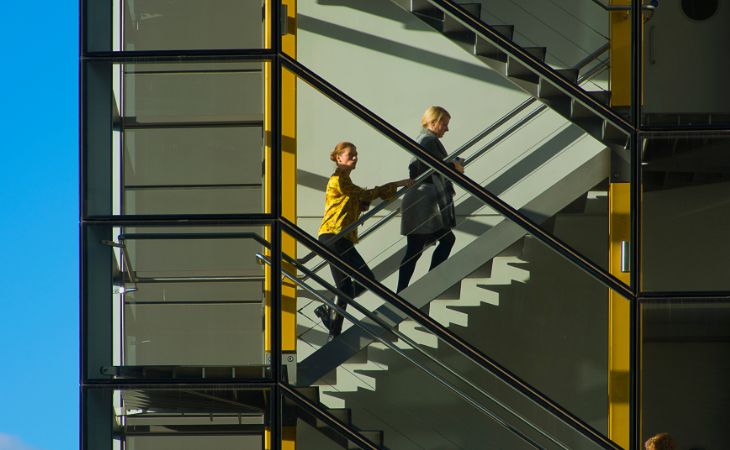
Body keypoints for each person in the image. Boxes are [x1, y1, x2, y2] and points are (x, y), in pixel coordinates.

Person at [316, 141, 412, 340]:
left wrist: (361, 205)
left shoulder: (345, 182)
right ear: (338, 158)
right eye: (350, 154)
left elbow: (356, 200)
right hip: (335, 237)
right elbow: (365, 194)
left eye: (356, 154)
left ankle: (333, 331)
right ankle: (331, 316)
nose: (354, 157)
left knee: (344, 288)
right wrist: (399, 184)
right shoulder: (338, 179)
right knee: (365, 278)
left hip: (336, 238)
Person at [397, 106, 465, 293]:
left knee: (417, 248)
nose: (447, 129)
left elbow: (437, 164)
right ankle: (423, 286)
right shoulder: (428, 140)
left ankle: (405, 291)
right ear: (433, 122)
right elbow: (438, 166)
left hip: (422, 199)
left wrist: (452, 164)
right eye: (444, 124)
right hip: (422, 200)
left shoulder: (426, 139)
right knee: (422, 247)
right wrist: (455, 166)